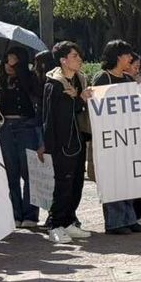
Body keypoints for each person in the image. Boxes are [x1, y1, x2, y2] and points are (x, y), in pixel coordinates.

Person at [90, 41, 141, 235]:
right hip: (110, 139)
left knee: (127, 178)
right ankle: (114, 222)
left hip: (127, 138)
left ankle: (129, 218)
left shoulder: (129, 80)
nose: (130, 58)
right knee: (112, 178)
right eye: (127, 55)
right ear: (117, 56)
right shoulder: (102, 78)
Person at [42, 41, 94, 243]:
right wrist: (78, 100)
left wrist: (79, 99)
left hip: (78, 140)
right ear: (63, 60)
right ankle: (55, 225)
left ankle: (69, 221)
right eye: (74, 56)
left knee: (76, 184)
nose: (79, 59)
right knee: (62, 184)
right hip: (62, 144)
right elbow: (50, 117)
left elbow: (79, 110)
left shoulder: (80, 80)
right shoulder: (53, 84)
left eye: (79, 55)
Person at [0, 47, 42, 228]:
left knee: (28, 172)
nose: (8, 64)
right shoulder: (0, 81)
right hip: (5, 128)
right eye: (6, 60)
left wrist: (20, 72)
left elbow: (34, 92)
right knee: (10, 173)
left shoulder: (29, 79)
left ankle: (30, 215)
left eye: (13, 60)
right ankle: (15, 214)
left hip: (25, 127)